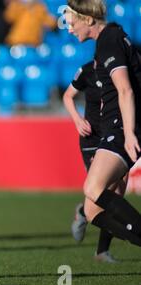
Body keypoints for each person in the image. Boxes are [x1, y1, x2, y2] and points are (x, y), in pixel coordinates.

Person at [65, 0, 141, 247]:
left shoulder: (109, 40)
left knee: (93, 187)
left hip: (121, 126)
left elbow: (125, 89)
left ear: (88, 19)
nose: (69, 28)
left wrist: (129, 133)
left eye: (72, 22)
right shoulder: (110, 39)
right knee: (92, 210)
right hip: (115, 126)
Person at [63, 61, 128, 262]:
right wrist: (77, 120)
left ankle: (101, 250)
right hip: (92, 139)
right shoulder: (87, 71)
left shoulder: (122, 73)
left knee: (117, 193)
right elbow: (67, 96)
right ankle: (84, 213)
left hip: (116, 136)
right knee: (104, 191)